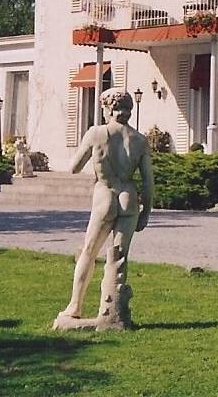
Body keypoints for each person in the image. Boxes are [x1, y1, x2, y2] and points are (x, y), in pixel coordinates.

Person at [59, 88, 154, 320]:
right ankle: (111, 311)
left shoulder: (96, 133)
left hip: (105, 194)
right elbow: (149, 183)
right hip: (129, 197)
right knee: (119, 257)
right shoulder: (140, 140)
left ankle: (75, 306)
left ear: (109, 109)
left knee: (89, 253)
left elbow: (73, 167)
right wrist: (146, 212)